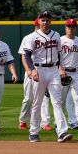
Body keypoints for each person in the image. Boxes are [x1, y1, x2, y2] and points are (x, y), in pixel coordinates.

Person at [22, 10, 72, 142]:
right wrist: (32, 70)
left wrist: (61, 68)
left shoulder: (56, 36)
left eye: (47, 20)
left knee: (57, 102)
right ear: (38, 21)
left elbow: (59, 53)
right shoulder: (32, 37)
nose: (45, 22)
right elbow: (26, 55)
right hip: (39, 69)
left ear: (51, 22)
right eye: (43, 20)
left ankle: (62, 132)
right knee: (37, 103)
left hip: (54, 71)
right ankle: (33, 132)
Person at [18, 18, 52, 131]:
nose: (39, 26)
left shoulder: (49, 37)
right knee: (28, 98)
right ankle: (23, 120)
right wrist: (28, 70)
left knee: (45, 98)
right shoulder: (28, 37)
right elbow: (24, 55)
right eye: (37, 24)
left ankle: (45, 122)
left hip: (44, 70)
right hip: (31, 70)